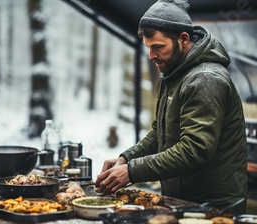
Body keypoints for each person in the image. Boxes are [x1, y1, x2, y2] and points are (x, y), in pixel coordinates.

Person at [95, 0, 248, 213]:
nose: (151, 56)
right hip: (183, 201)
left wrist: (132, 171)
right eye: (148, 48)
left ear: (183, 39)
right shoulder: (173, 73)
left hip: (214, 207)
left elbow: (195, 150)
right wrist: (126, 158)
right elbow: (160, 133)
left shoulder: (205, 79)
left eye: (158, 47)